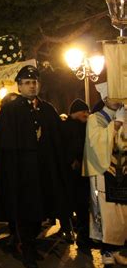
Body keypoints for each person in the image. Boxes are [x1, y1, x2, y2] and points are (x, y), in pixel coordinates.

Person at [0, 65, 69, 268]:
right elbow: (2, 146)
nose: (32, 86)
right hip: (21, 174)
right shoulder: (10, 110)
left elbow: (58, 140)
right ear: (20, 86)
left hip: (43, 172)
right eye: (27, 83)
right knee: (24, 211)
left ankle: (31, 244)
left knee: (40, 211)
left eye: (35, 83)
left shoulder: (47, 109)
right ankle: (27, 250)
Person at [82, 82, 127, 266]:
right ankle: (107, 250)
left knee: (121, 211)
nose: (116, 101)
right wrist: (116, 125)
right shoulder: (95, 118)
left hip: (121, 171)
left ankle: (118, 248)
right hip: (102, 172)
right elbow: (97, 144)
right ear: (105, 98)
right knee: (105, 211)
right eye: (113, 97)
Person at [61, 99, 90, 245]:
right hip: (70, 173)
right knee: (74, 202)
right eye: (84, 111)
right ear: (76, 112)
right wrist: (71, 160)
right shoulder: (65, 127)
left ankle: (83, 234)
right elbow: (62, 147)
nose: (87, 114)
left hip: (82, 172)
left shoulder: (84, 126)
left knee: (83, 204)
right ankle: (73, 231)